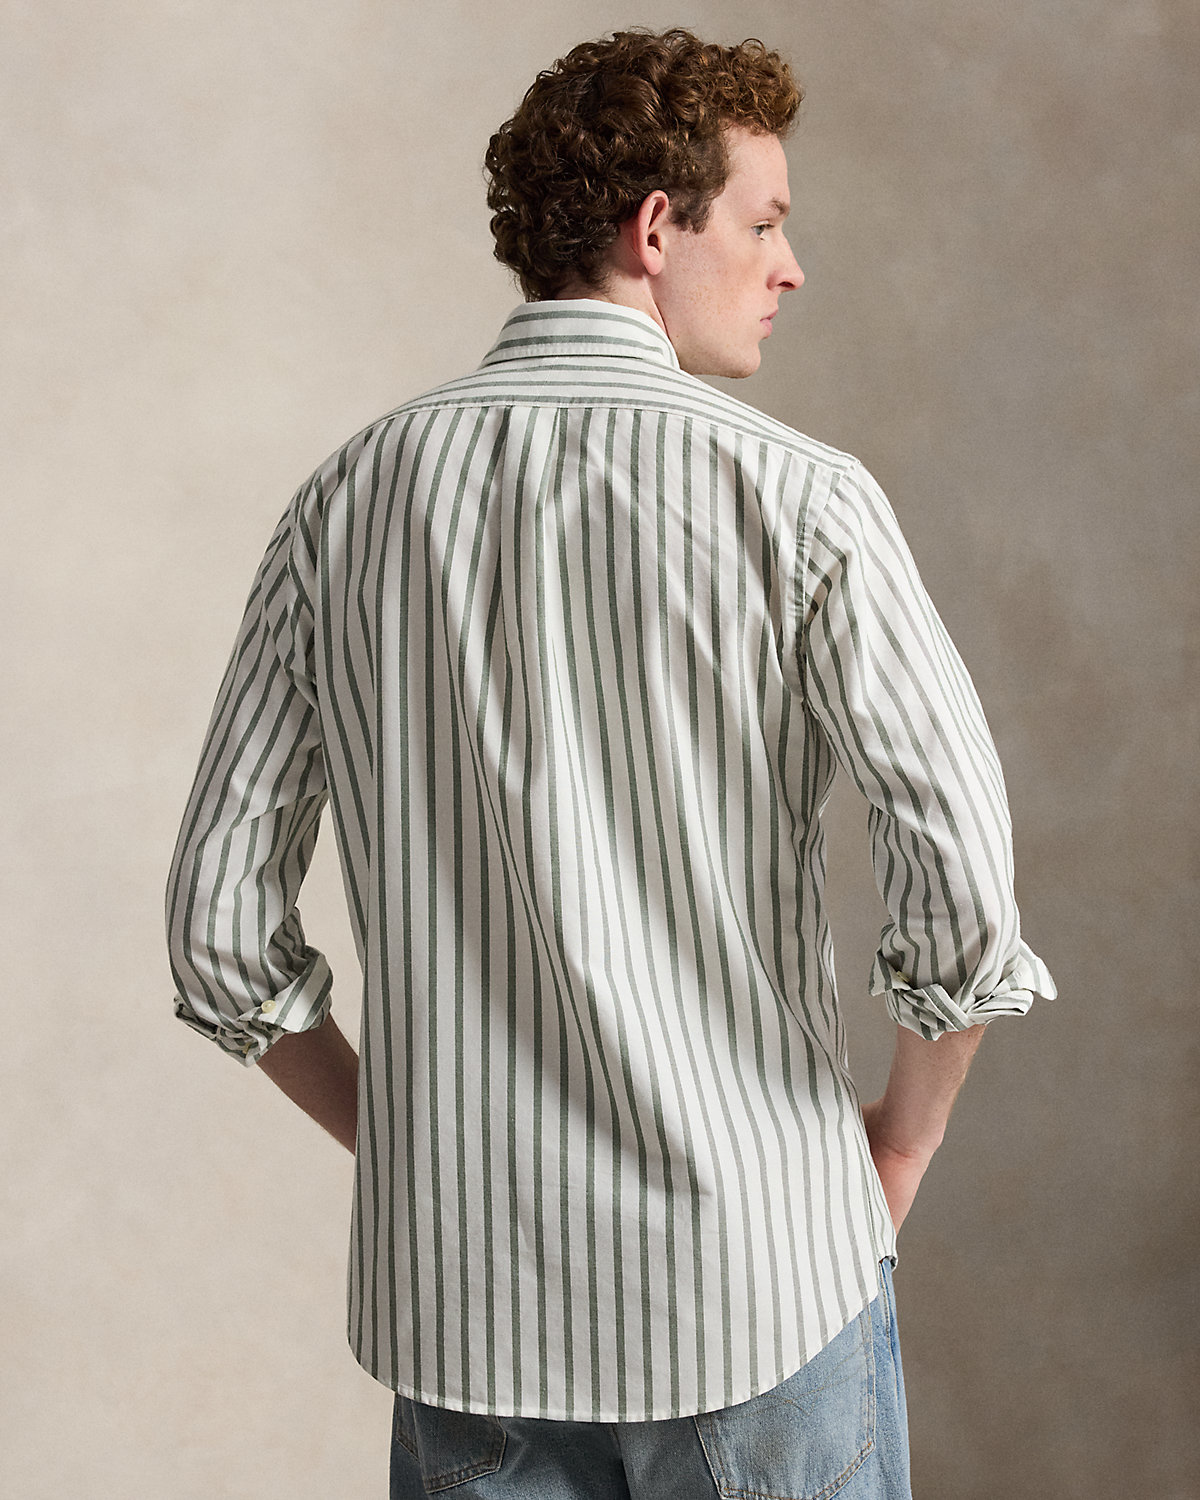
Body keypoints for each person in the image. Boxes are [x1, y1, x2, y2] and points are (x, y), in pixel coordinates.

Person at [166, 27, 1054, 1499]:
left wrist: (418, 1152)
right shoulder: (803, 502)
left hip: (465, 1319)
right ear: (657, 229)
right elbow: (960, 892)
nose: (791, 267)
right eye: (763, 224)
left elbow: (217, 934)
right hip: (760, 1287)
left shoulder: (345, 503)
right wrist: (897, 1152)